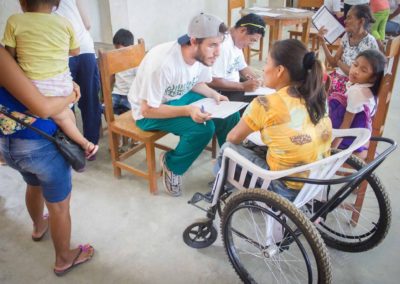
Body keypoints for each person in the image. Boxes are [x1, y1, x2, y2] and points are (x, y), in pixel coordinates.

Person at [0, 46, 94, 276]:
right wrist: (72, 95)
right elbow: (43, 108)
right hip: (40, 144)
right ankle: (64, 258)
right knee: (59, 205)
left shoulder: (13, 54)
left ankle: (39, 226)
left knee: (34, 184)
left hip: (9, 144)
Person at [128, 13, 240, 197]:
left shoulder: (203, 56)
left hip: (178, 97)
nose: (218, 52)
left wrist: (214, 95)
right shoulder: (163, 64)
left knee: (229, 115)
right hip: (148, 112)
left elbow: (194, 82)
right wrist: (188, 110)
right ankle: (172, 165)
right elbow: (147, 110)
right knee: (203, 128)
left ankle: (228, 169)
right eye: (213, 45)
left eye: (219, 44)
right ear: (194, 41)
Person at [213, 39, 332, 201]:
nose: (263, 68)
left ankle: (218, 194)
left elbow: (233, 138)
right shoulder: (318, 95)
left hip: (283, 188)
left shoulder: (266, 104)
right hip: (316, 179)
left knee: (228, 148)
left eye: (267, 62)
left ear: (280, 70)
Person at [2, 0, 98, 159]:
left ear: (22, 2)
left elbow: (9, 55)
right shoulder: (64, 23)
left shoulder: (14, 21)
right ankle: (81, 144)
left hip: (36, 86)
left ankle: (80, 144)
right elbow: (75, 51)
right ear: (57, 3)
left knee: (59, 116)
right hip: (64, 83)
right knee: (67, 113)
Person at [55, 0, 102, 160]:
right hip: (85, 50)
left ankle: (72, 150)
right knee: (90, 101)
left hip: (61, 53)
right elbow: (87, 24)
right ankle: (91, 148)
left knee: (66, 104)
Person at [330, 49, 386, 158]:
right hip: (360, 136)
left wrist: (332, 150)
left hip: (347, 140)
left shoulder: (357, 92)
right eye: (355, 65)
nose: (355, 71)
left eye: (363, 70)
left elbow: (346, 124)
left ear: (373, 77)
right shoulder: (370, 90)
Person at [318, 5, 378, 96]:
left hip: (352, 84)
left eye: (349, 18)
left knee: (321, 92)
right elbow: (333, 63)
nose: (345, 21)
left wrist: (338, 62)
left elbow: (354, 73)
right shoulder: (347, 36)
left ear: (361, 21)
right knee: (314, 83)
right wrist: (322, 42)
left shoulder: (369, 43)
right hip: (339, 77)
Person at [208, 13, 265, 104]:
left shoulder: (236, 42)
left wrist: (257, 79)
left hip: (235, 86)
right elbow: (213, 81)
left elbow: (242, 67)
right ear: (243, 30)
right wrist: (242, 86)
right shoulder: (223, 46)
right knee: (260, 103)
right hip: (223, 92)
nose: (251, 46)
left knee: (265, 96)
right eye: (252, 40)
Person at [111, 28, 136, 115]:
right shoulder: (115, 60)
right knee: (106, 109)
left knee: (129, 114)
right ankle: (113, 127)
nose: (116, 50)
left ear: (128, 46)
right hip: (116, 93)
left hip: (130, 95)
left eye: (118, 47)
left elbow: (140, 79)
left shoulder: (135, 61)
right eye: (115, 47)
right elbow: (111, 77)